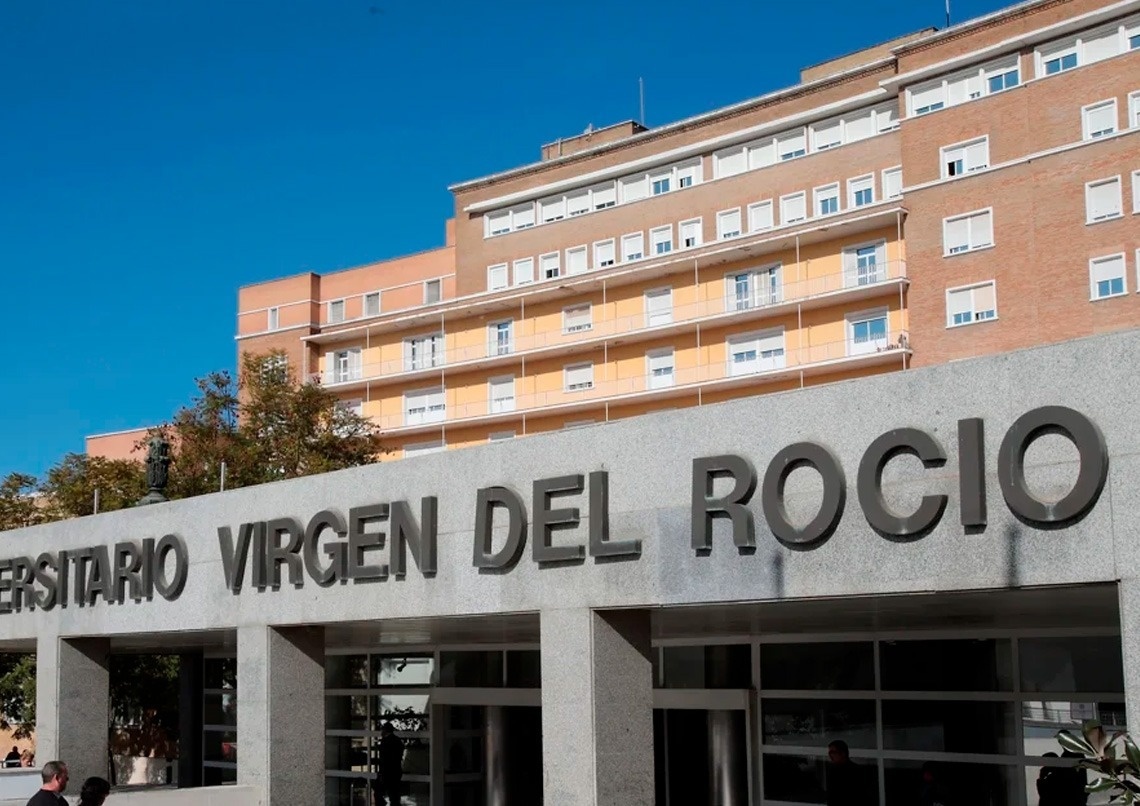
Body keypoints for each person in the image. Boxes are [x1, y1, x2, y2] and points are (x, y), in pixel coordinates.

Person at [825, 740, 871, 806]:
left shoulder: (856, 771)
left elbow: (861, 795)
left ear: (843, 753)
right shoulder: (832, 771)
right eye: (829, 753)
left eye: (833, 752)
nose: (830, 756)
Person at [377, 722, 404, 806]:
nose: (381, 732)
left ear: (385, 730)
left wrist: (381, 772)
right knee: (394, 796)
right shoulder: (398, 741)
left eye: (382, 730)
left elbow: (384, 759)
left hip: (387, 772)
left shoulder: (385, 742)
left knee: (379, 793)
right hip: (396, 771)